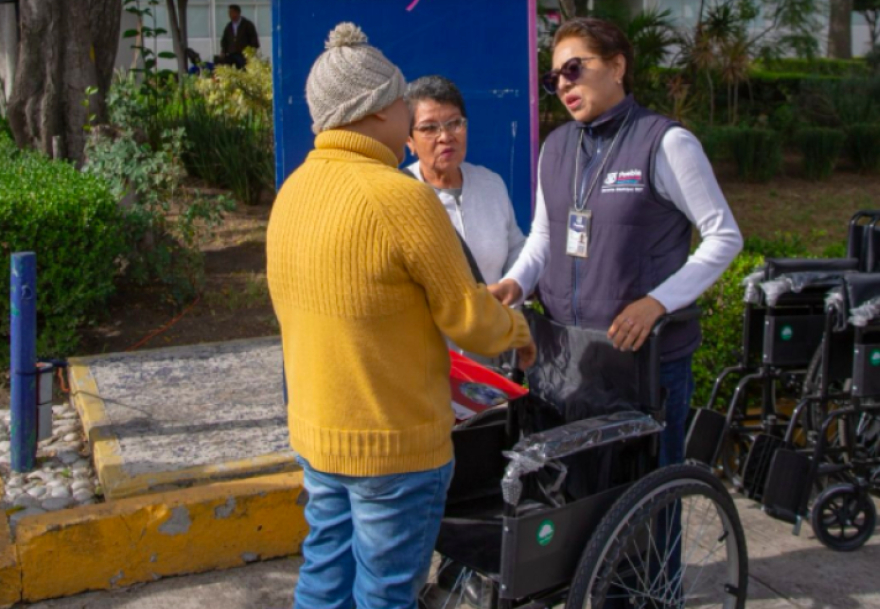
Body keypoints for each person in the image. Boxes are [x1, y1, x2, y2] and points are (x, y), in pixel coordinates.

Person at [266, 22, 535, 609]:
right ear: (378, 110)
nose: (409, 118)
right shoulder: (399, 197)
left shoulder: (292, 192)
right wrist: (516, 329)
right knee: (387, 593)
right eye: (401, 105)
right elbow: (469, 318)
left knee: (323, 578)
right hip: (393, 443)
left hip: (318, 432)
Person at [489, 17, 743, 469]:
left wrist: (657, 303)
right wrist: (516, 281)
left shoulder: (667, 143)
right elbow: (546, 235)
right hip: (569, 354)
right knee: (582, 500)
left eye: (574, 69)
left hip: (643, 359)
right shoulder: (557, 146)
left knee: (648, 501)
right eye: (553, 78)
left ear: (617, 65)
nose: (562, 84)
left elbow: (724, 237)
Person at [403, 75, 526, 364]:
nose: (446, 136)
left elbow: (517, 248)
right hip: (427, 367)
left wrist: (512, 289)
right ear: (409, 141)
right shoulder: (401, 197)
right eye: (429, 128)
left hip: (491, 361)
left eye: (455, 123)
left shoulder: (490, 184)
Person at [218, 4, 259, 69]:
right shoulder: (229, 26)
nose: (230, 15)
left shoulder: (247, 24)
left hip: (244, 55)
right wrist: (223, 51)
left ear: (237, 13)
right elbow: (224, 40)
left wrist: (252, 52)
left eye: (232, 12)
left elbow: (253, 39)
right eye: (229, 13)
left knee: (244, 70)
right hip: (232, 54)